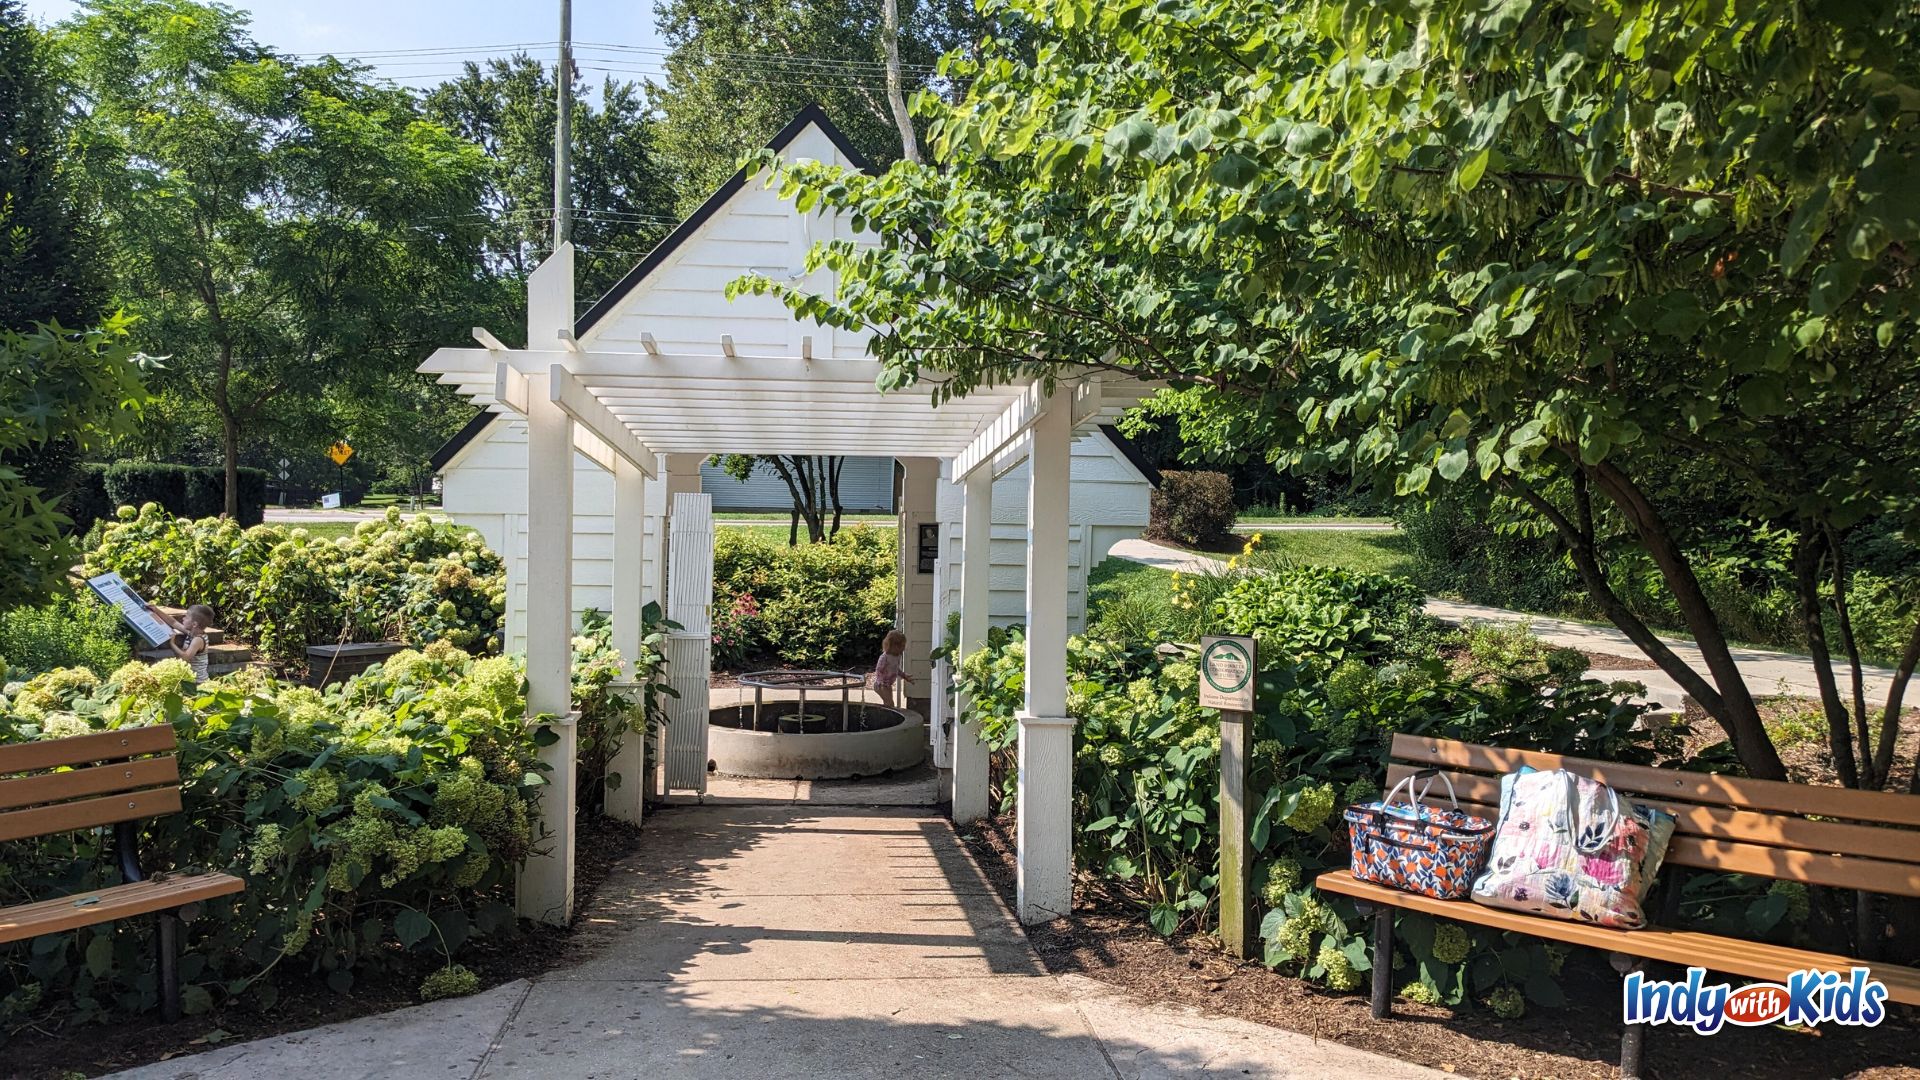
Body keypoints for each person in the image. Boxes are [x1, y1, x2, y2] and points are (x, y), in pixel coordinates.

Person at [147, 603, 215, 681]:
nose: (183, 618)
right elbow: (173, 622)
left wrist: (172, 644)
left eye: (186, 617)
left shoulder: (198, 640)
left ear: (194, 624)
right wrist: (156, 610)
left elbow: (185, 657)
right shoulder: (191, 632)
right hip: (188, 677)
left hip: (197, 681)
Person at [871, 628, 914, 708]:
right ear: (893, 645)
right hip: (881, 685)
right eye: (902, 646)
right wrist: (881, 683)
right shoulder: (885, 657)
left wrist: (904, 676)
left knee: (888, 703)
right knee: (890, 704)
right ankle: (885, 717)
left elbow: (896, 669)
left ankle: (884, 716)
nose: (903, 648)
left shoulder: (897, 656)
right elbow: (878, 670)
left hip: (888, 684)